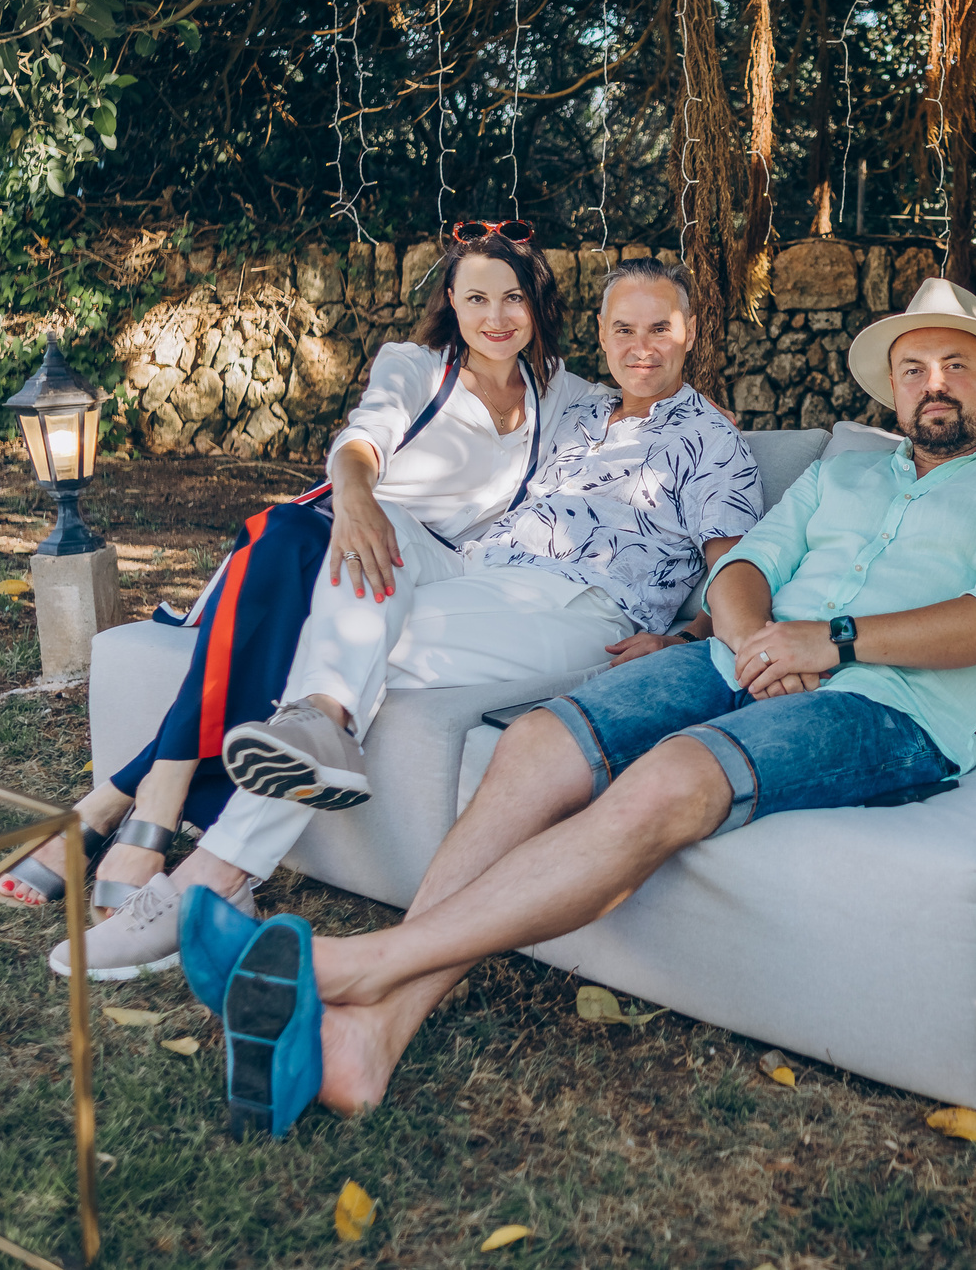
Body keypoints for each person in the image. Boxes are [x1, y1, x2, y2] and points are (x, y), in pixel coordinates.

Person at [178, 277, 976, 1138]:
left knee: (670, 778)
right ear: (892, 387)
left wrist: (831, 641)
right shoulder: (843, 475)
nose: (933, 384)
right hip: (738, 657)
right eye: (914, 368)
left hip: (889, 704)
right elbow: (743, 567)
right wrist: (758, 644)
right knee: (537, 740)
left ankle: (355, 965)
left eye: (954, 365)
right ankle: (368, 1038)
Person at [52, 253, 761, 981]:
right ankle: (316, 726)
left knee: (344, 638)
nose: (642, 347)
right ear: (602, 333)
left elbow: (737, 571)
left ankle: (214, 874)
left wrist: (683, 637)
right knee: (362, 535)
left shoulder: (712, 440)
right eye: (624, 329)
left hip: (580, 603)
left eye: (660, 329)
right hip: (479, 569)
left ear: (690, 330)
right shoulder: (576, 404)